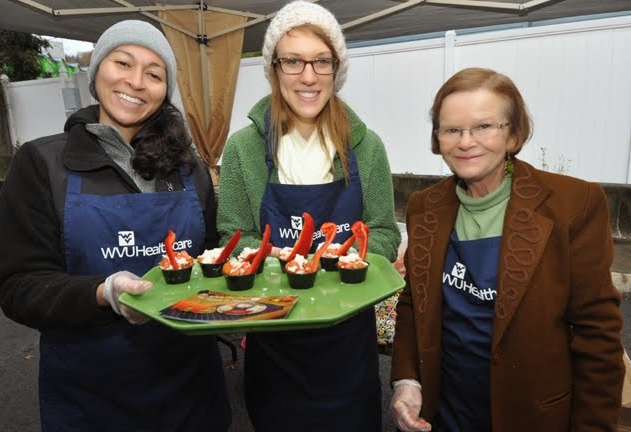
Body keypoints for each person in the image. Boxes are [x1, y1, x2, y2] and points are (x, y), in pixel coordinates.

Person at [0, 20, 231, 431]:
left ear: (164, 91)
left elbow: (210, 257)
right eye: (123, 62)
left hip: (190, 390)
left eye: (154, 74)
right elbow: (19, 286)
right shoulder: (43, 164)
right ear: (98, 70)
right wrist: (103, 293)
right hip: (91, 397)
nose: (136, 82)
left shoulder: (188, 168)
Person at [390, 67, 625, 432]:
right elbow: (412, 302)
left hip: (533, 415)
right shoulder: (425, 206)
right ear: (438, 139)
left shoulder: (572, 204)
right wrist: (407, 381)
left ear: (513, 134)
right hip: (448, 413)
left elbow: (598, 335)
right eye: (452, 130)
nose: (466, 142)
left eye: (484, 127)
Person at [217, 1, 401, 430]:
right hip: (274, 337)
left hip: (347, 342)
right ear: (274, 68)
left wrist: (342, 257)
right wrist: (277, 256)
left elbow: (385, 233)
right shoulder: (244, 148)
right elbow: (233, 233)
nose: (308, 76)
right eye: (293, 61)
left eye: (321, 61)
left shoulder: (364, 146)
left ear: (336, 69)